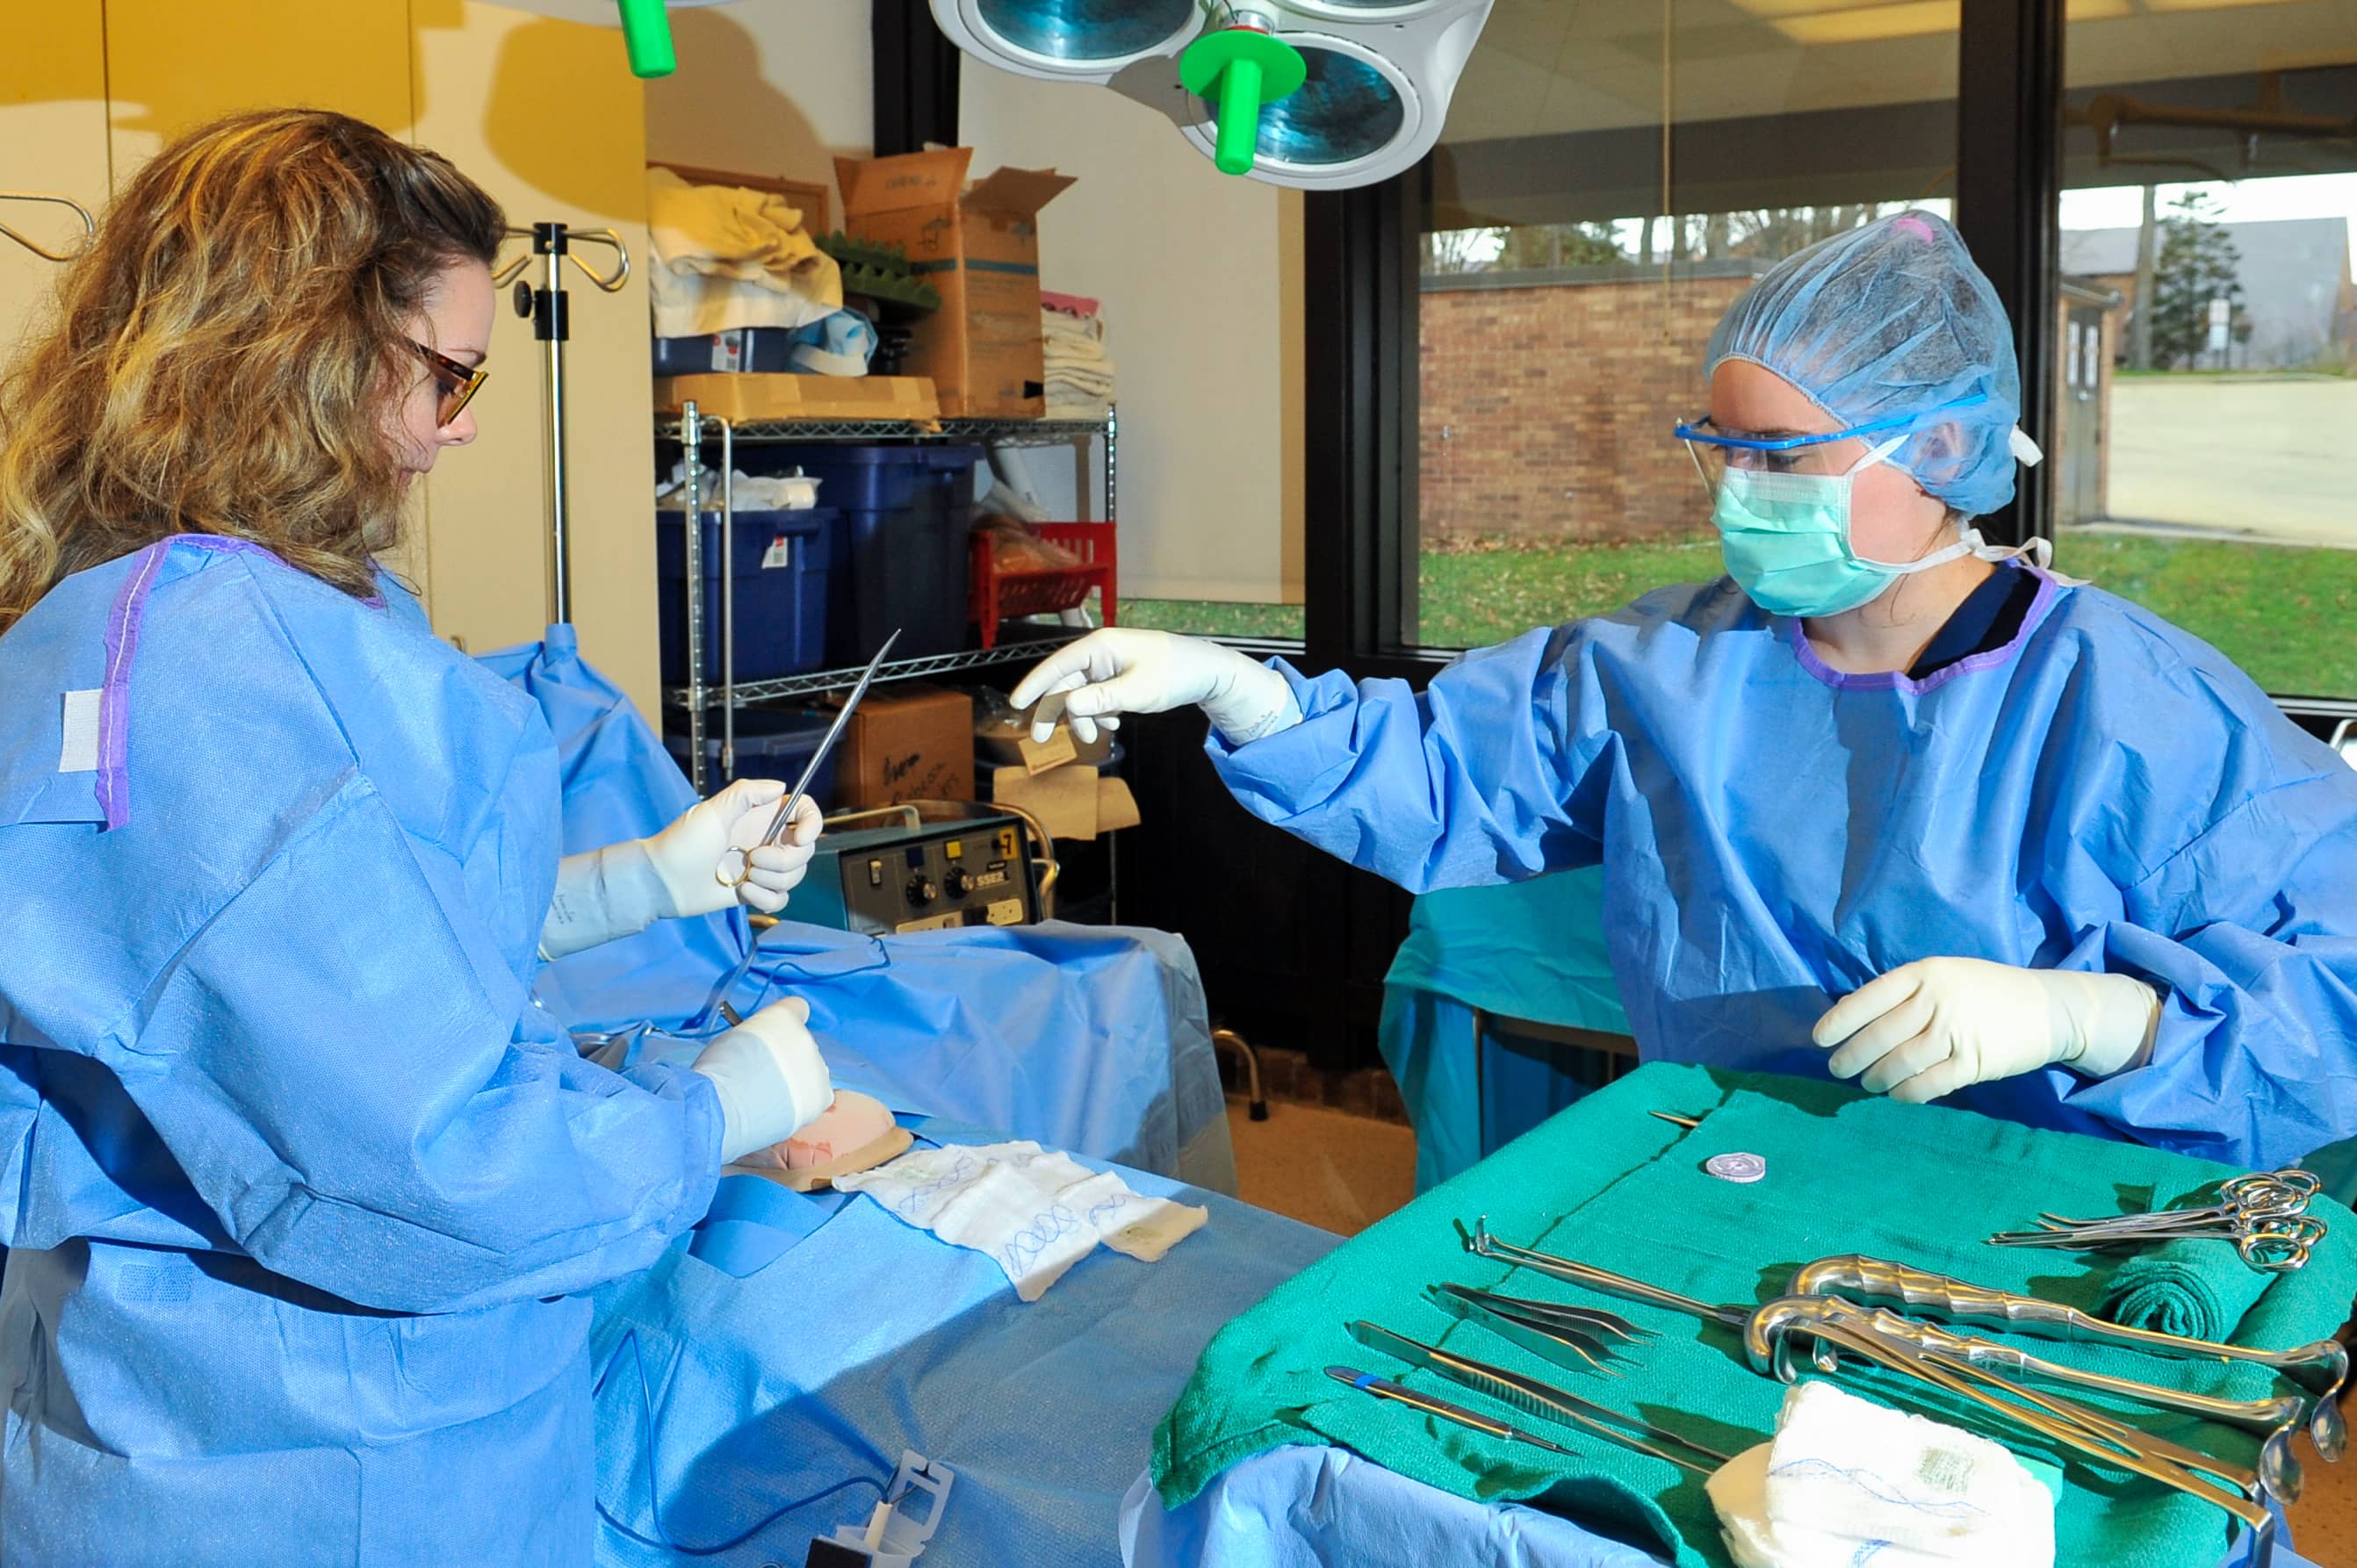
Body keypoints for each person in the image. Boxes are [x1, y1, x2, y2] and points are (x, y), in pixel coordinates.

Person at [1015, 210, 2357, 1174]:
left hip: (2038, 1241)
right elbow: (1445, 770)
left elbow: (2334, 998)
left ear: (1940, 442)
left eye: (1782, 454)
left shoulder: (2128, 704)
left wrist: (2093, 1018)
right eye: (1721, 451)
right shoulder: (1669, 668)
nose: (1739, 492)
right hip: (1729, 1198)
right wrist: (1240, 691)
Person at [0, 110, 832, 1564]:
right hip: (328, 1467)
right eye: (448, 373)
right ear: (302, 351)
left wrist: (642, 879)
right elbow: (442, 1160)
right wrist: (716, 1113)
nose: (462, 423)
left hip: (170, 1413)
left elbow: (333, 941)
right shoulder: (214, 663)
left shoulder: (152, 608)